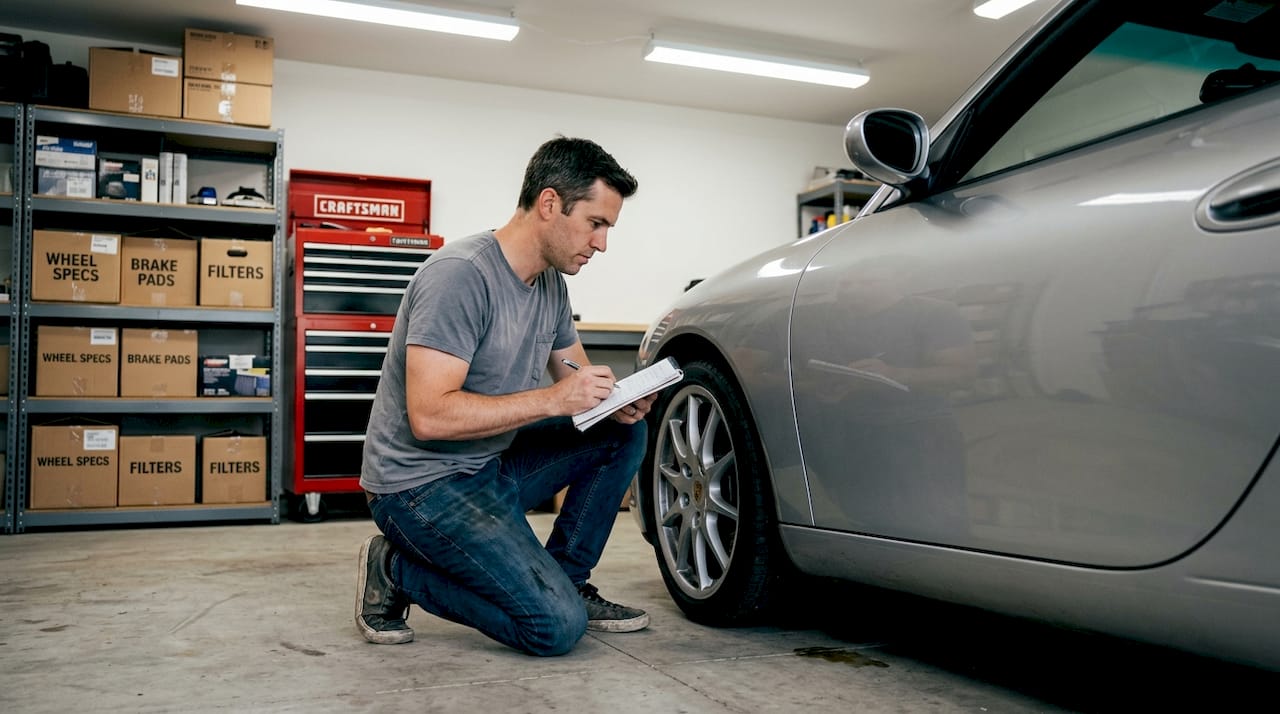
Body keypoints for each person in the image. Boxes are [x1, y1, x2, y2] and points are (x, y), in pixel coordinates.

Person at [355, 136, 656, 657]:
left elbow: (575, 373)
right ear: (549, 204)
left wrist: (614, 400)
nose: (602, 243)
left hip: (489, 464)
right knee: (554, 629)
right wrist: (556, 399)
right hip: (419, 487)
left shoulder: (550, 285)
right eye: (595, 223)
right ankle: (394, 568)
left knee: (622, 432)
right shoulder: (460, 277)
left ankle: (566, 579)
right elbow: (428, 416)